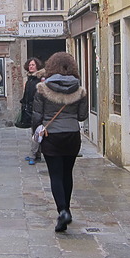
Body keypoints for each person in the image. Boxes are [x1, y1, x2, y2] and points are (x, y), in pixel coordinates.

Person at [32, 52, 88, 232]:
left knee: (55, 175)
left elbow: (37, 116)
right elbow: (82, 116)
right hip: (72, 135)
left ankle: (62, 211)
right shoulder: (79, 90)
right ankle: (67, 209)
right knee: (67, 174)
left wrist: (35, 133)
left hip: (52, 135)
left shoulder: (42, 89)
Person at [19, 57, 45, 165]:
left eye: (33, 65)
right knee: (35, 132)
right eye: (29, 65)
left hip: (38, 109)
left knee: (36, 133)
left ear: (37, 66)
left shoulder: (40, 79)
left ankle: (33, 155)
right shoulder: (30, 79)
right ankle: (37, 155)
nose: (31, 66)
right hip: (30, 109)